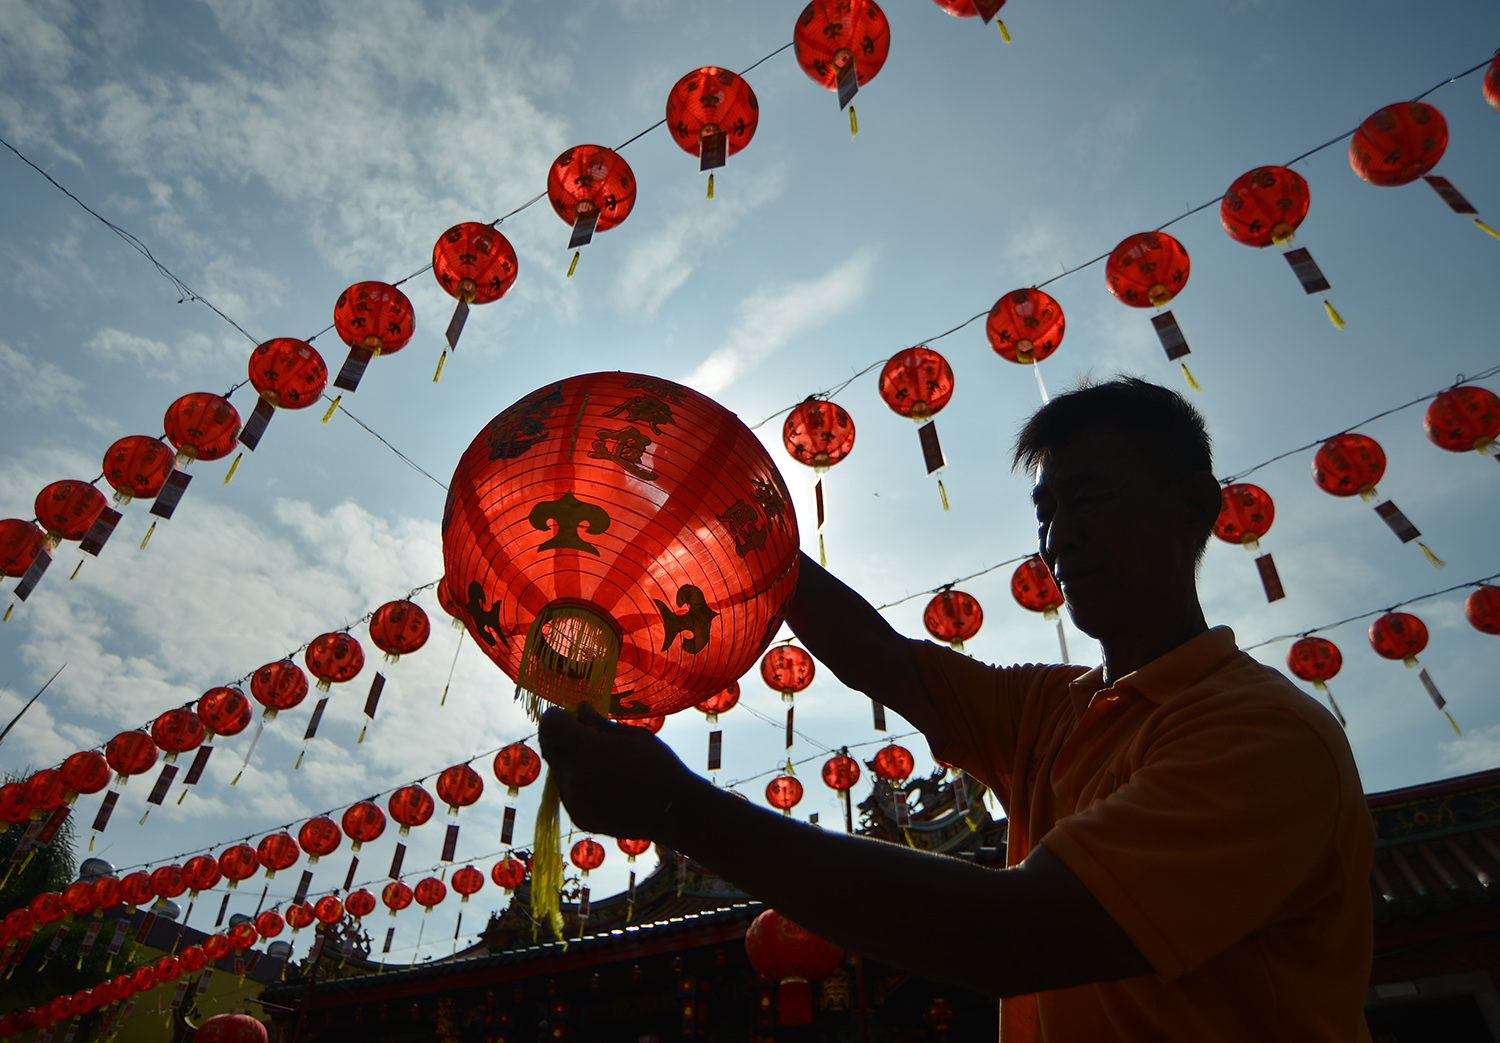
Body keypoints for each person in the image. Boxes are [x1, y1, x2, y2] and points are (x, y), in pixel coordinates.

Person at [539, 377, 1375, 1042]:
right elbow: (885, 661)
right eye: (1046, 515)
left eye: (1088, 500)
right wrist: (736, 519)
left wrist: (678, 807)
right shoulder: (1053, 708)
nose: (1059, 539)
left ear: (1192, 506)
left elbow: (1017, 933)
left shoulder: (1261, 732)